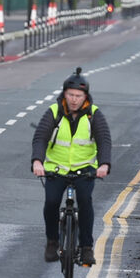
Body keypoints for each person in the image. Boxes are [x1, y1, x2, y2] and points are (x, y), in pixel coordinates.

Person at [31, 68, 112, 266]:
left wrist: (104, 164)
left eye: (78, 96)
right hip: (56, 169)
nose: (74, 99)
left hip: (84, 169)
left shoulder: (94, 115)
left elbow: (104, 141)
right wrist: (37, 161)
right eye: (70, 95)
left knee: (85, 201)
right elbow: (40, 138)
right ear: (64, 94)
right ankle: (52, 241)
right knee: (51, 202)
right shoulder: (54, 112)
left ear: (85, 96)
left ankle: (86, 247)